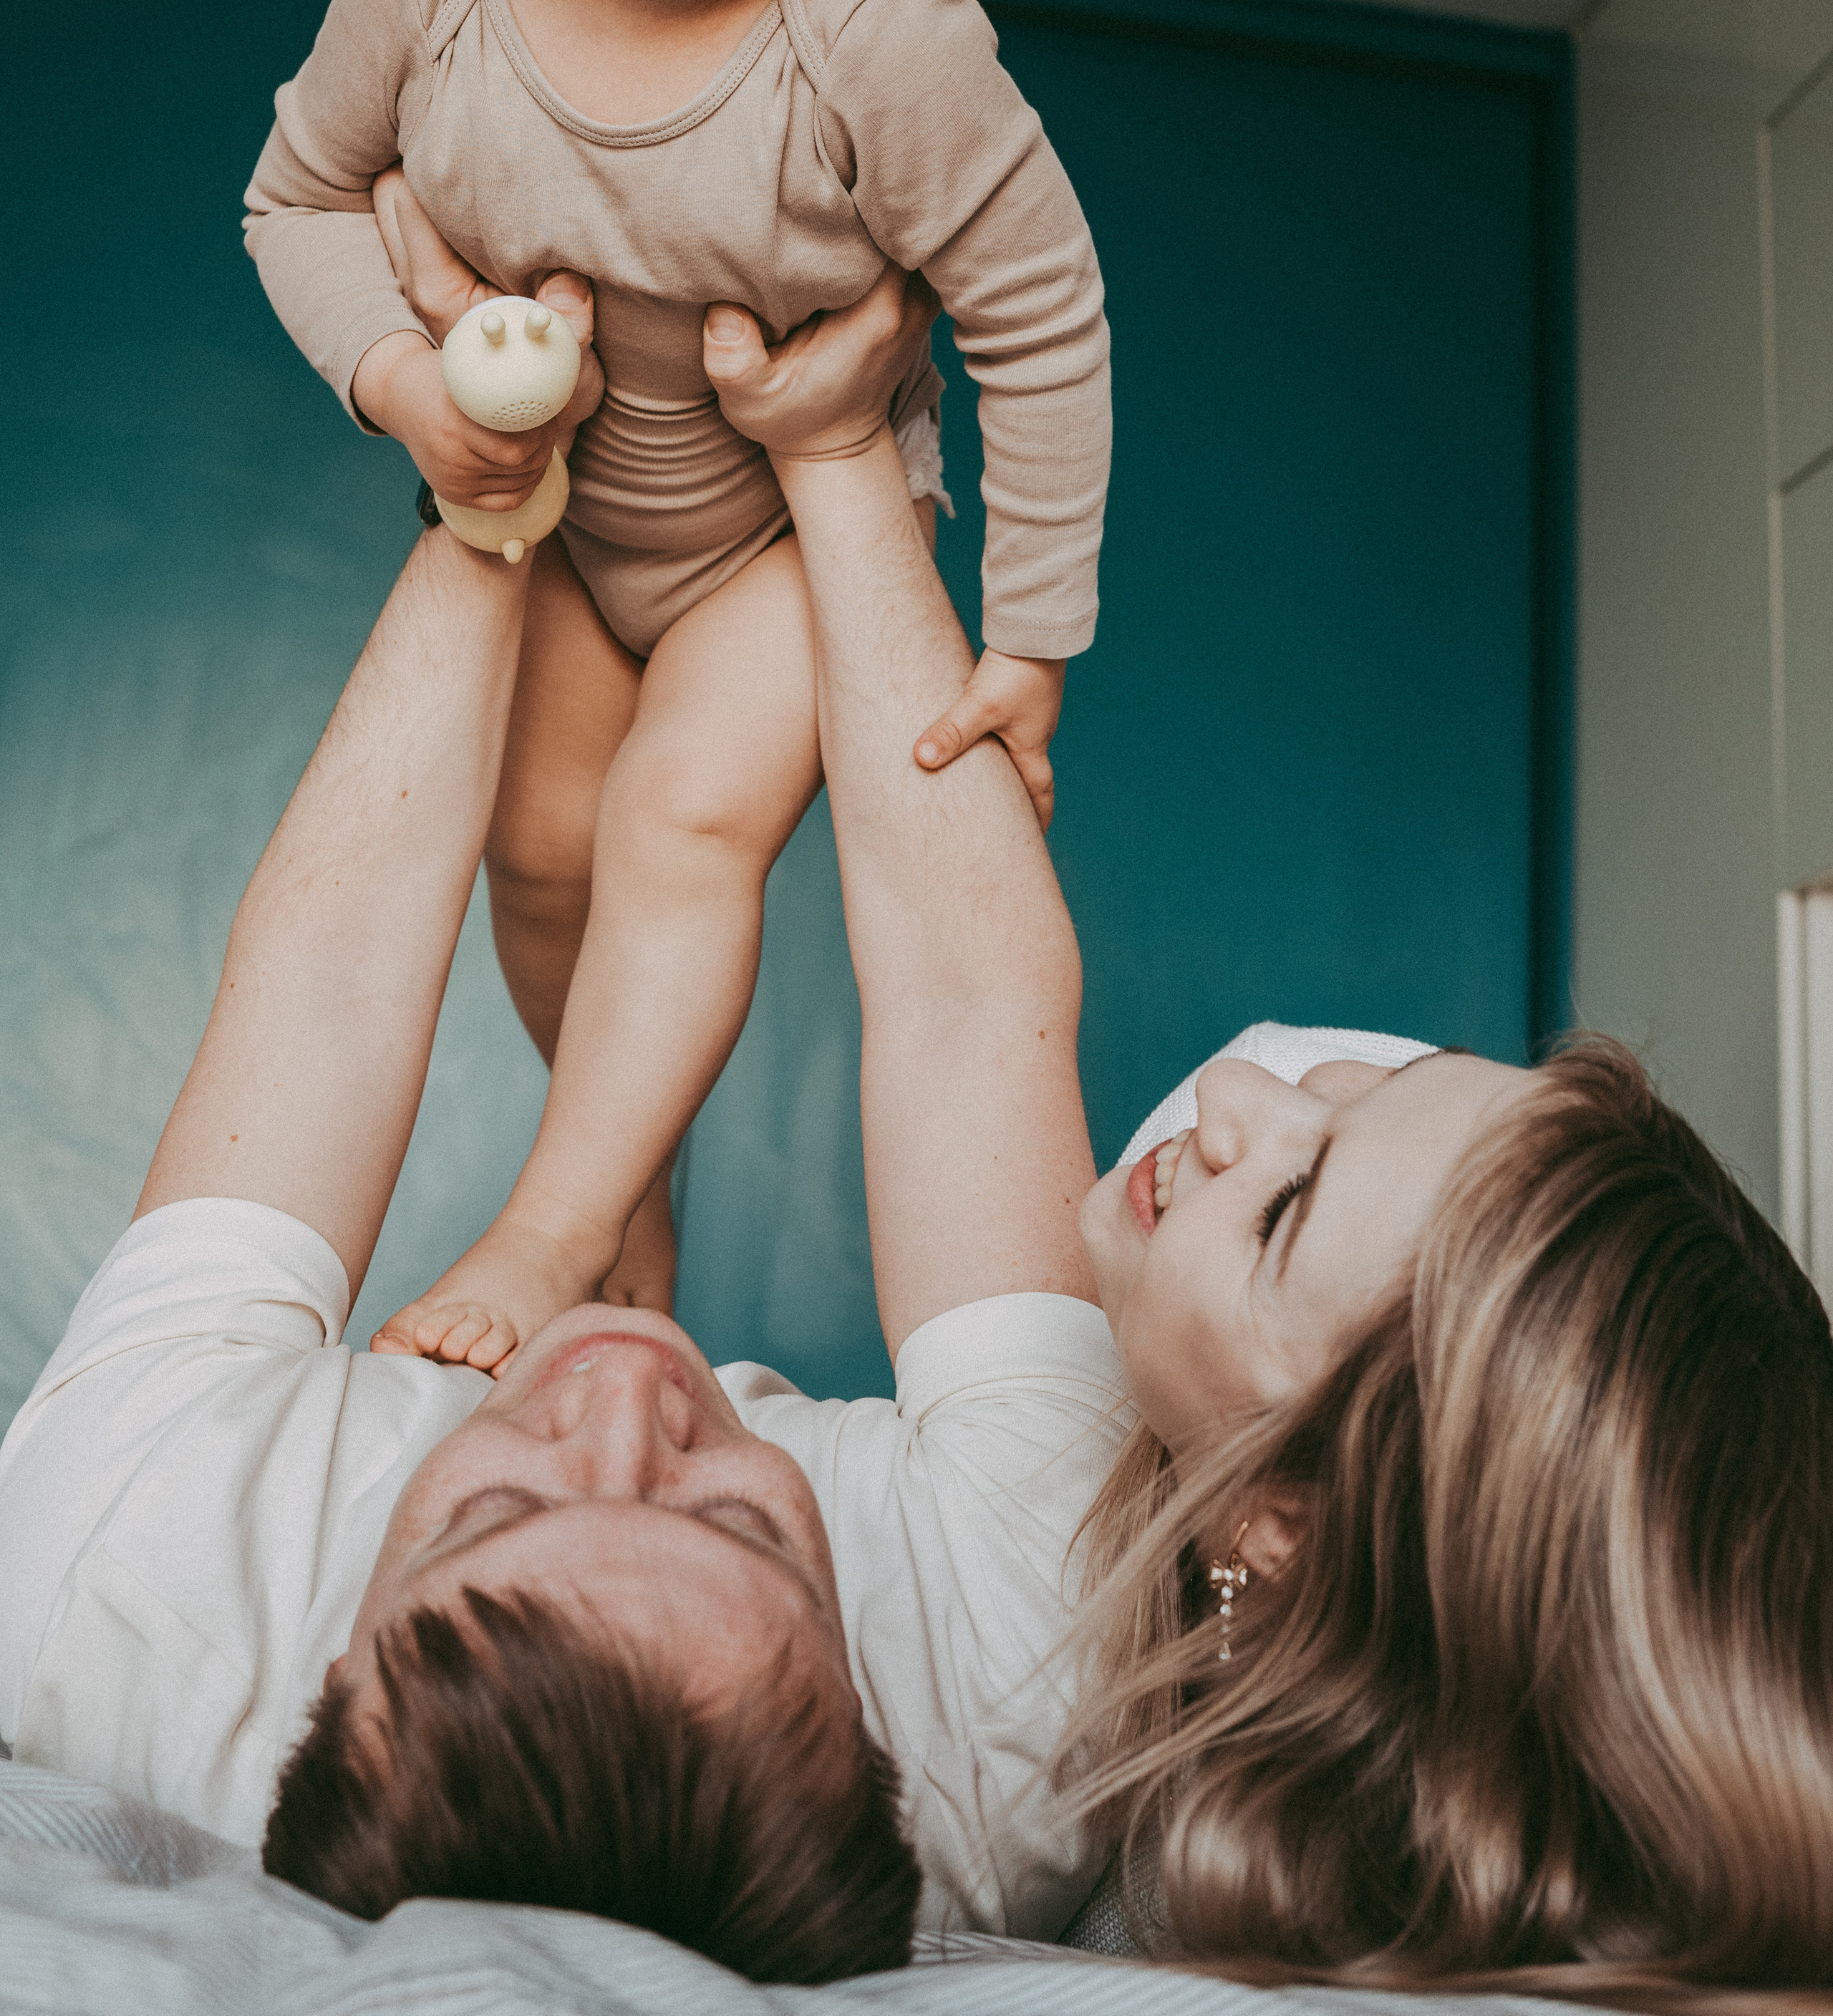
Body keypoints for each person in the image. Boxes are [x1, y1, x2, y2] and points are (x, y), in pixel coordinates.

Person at [0, 271, 1128, 1974]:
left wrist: (488, 490)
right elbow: (972, 1015)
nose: (623, 1399)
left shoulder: (123, 1584)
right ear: (880, 1714)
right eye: (737, 1521)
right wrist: (837, 455)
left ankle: (608, 1220)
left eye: (493, 1514)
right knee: (630, 839)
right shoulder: (1020, 1709)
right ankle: (618, 1222)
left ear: (314, 1677)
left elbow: (329, 974)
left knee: (557, 838)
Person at [241, 0, 1111, 1357]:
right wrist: (403, 384)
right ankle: (622, 1188)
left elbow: (1041, 312)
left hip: (774, 552)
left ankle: (550, 1231)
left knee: (679, 830)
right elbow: (294, 197)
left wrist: (1032, 640)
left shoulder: (879, 38)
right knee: (537, 857)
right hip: (556, 530)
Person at [1056, 1023, 1833, 1996]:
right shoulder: (1337, 1137)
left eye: (1283, 1212)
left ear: (1288, 1522)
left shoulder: (1170, 1907)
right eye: (1372, 1088)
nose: (1232, 1086)